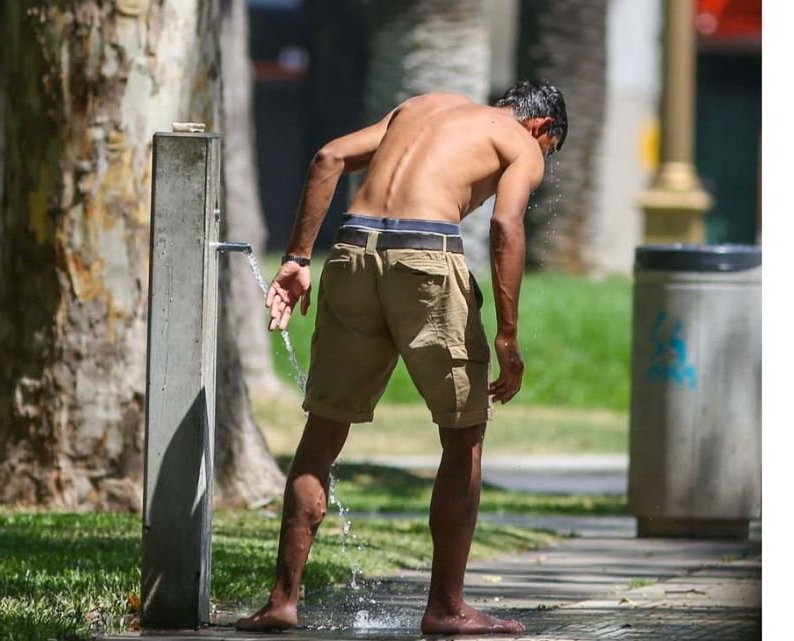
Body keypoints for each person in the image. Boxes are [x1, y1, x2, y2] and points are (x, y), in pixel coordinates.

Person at [235, 80, 567, 636]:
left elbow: (329, 157)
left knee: (323, 430)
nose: (541, 162)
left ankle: (281, 601)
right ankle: (446, 608)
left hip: (351, 250)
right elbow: (507, 224)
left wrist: (297, 258)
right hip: (426, 258)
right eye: (548, 153)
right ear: (543, 129)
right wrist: (508, 333)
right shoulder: (521, 141)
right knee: (464, 434)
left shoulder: (422, 106)